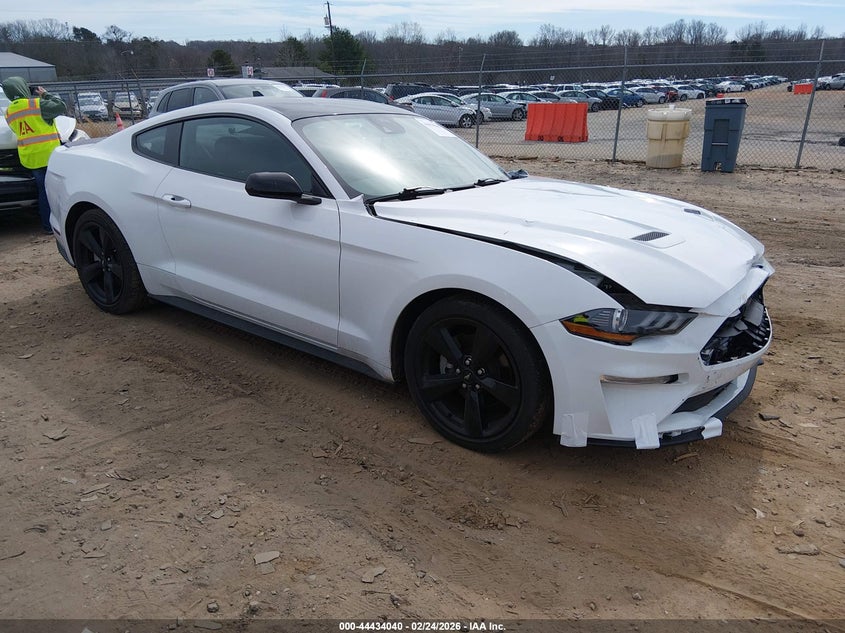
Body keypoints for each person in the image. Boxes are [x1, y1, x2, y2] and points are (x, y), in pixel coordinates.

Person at [2, 77, 67, 234]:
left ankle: (46, 225)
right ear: (22, 88)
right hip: (49, 154)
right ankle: (61, 223)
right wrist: (45, 94)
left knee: (43, 191)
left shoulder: (9, 112)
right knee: (58, 190)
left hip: (30, 158)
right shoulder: (37, 104)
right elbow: (61, 106)